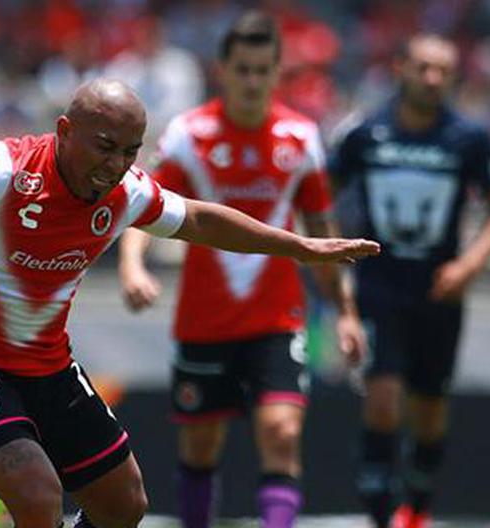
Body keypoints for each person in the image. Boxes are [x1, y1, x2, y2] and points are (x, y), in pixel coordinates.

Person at [0, 78, 379, 528]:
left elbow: (198, 218)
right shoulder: (1, 169)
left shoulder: (125, 191)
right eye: (105, 147)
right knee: (38, 494)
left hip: (44, 366)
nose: (117, 165)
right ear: (64, 132)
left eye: (131, 151)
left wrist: (300, 246)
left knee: (124, 504)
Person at [116, 11, 366, 528]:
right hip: (204, 319)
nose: (252, 81)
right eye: (243, 69)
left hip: (278, 318)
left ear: (277, 73)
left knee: (282, 433)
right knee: (201, 447)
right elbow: (144, 206)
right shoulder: (189, 134)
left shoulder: (300, 139)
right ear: (223, 70)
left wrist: (344, 313)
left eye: (263, 70)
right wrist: (133, 267)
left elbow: (324, 236)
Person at [330, 34, 490, 528]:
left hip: (439, 291)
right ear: (400, 69)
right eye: (423, 68)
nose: (432, 79)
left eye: (442, 71)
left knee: (430, 409)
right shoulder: (366, 133)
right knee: (384, 401)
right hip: (378, 287)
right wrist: (331, 255)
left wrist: (468, 266)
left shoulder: (468, 137)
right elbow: (319, 197)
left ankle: (419, 509)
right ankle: (378, 516)